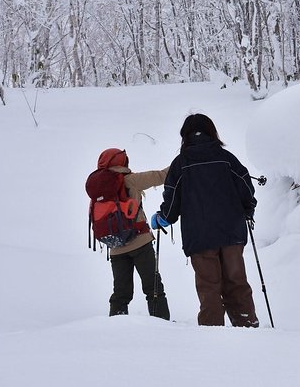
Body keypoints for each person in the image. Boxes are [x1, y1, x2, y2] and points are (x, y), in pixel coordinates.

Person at [151, 114, 259, 327]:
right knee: (236, 282)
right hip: (232, 232)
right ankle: (247, 326)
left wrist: (163, 218)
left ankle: (212, 333)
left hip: (199, 237)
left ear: (185, 136)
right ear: (212, 132)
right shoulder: (226, 158)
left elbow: (172, 201)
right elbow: (246, 187)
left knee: (209, 286)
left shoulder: (181, 164)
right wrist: (248, 210)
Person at [96, 148, 171, 320]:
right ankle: (163, 327)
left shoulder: (99, 187)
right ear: (123, 162)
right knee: (153, 288)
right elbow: (161, 176)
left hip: (115, 246)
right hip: (140, 242)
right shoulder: (130, 180)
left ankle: (117, 328)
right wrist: (183, 157)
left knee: (120, 294)